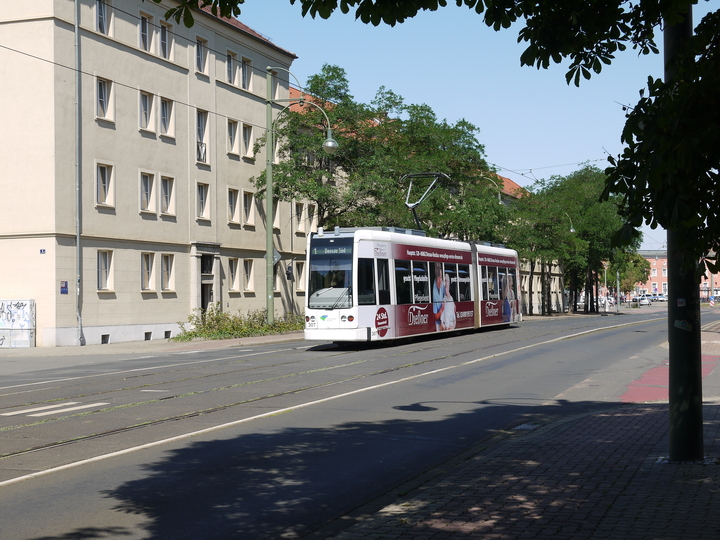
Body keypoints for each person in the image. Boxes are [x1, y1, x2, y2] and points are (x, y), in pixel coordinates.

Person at [432, 263, 445, 330]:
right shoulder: (434, 294)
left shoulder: (442, 285)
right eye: (438, 279)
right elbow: (436, 317)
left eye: (441, 278)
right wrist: (442, 309)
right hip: (438, 323)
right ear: (436, 279)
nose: (440, 281)